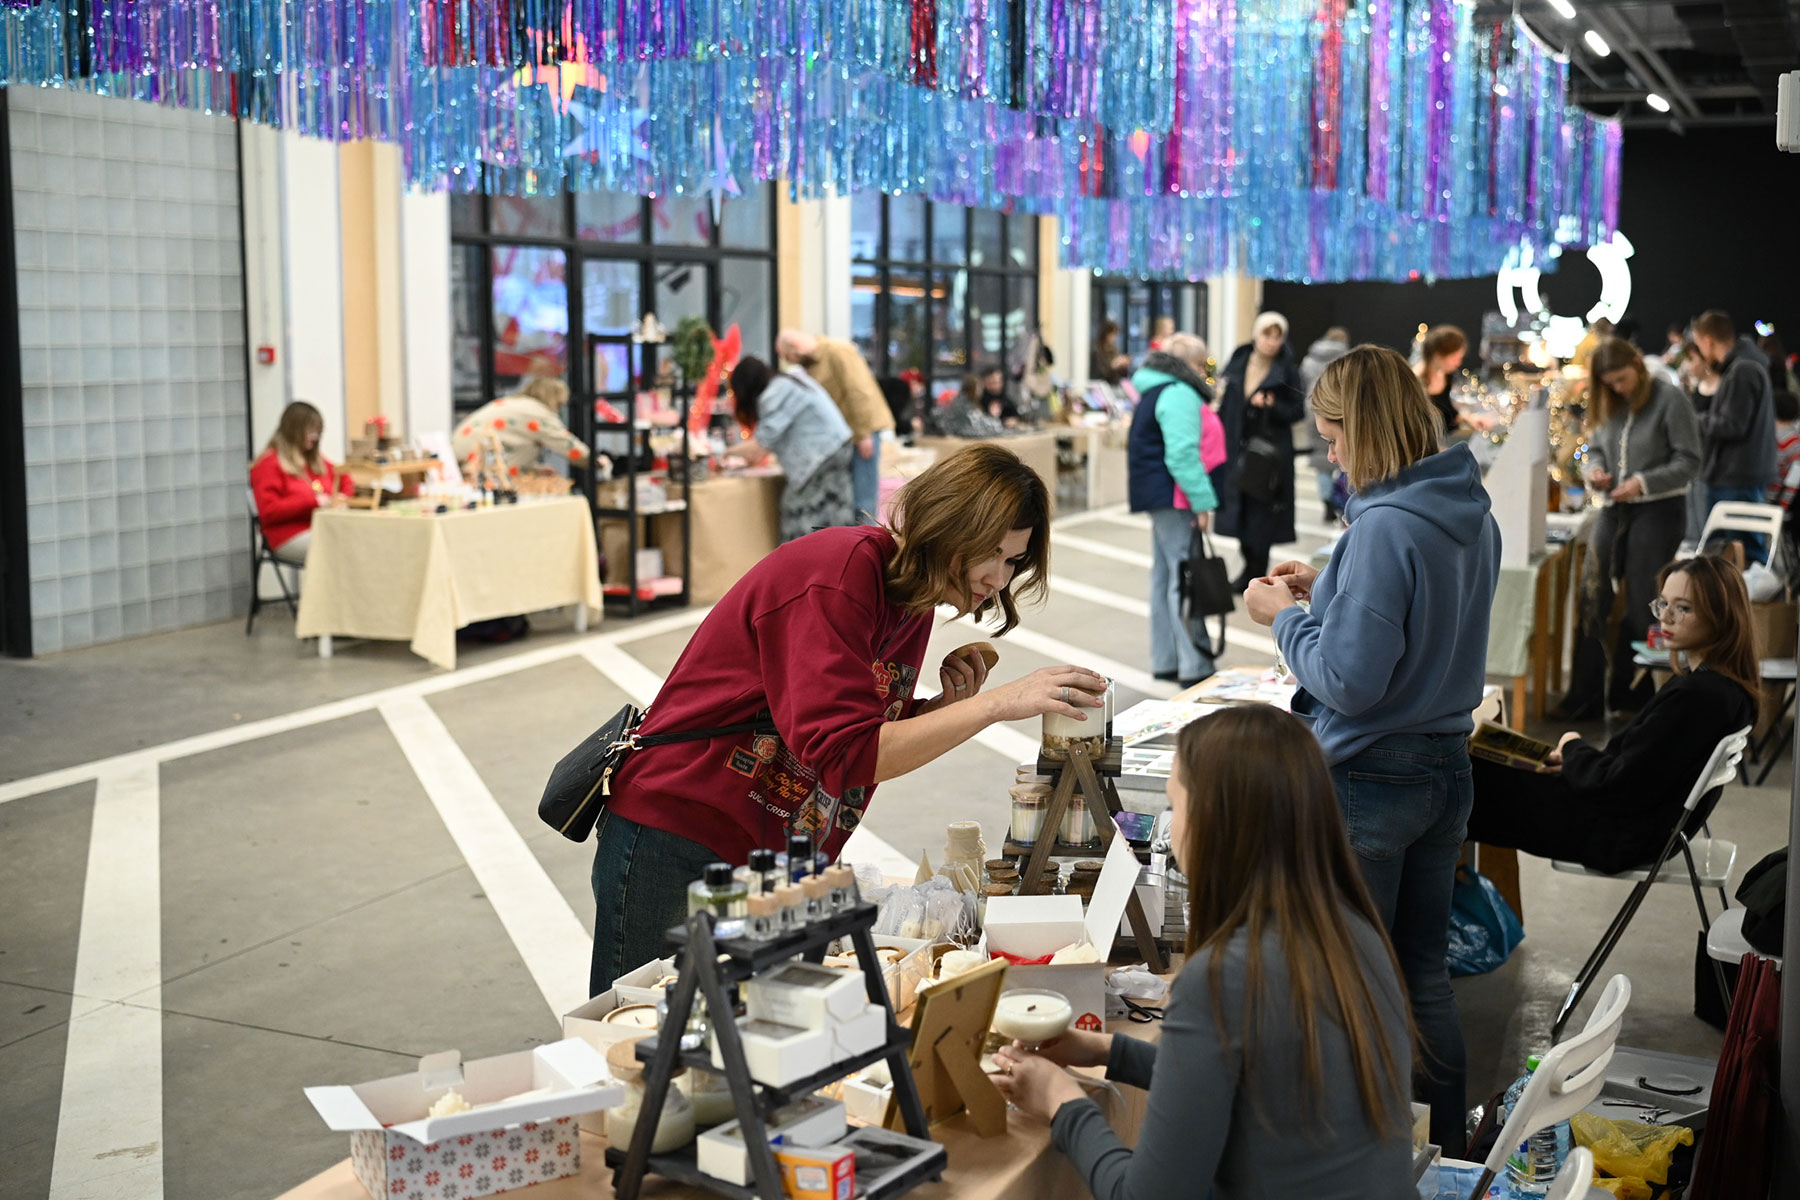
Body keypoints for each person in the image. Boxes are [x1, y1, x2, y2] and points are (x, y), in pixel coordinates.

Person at [588, 445, 1108, 992]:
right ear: (949, 524)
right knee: (638, 1028)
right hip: (680, 830)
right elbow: (845, 753)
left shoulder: (913, 598)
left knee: (734, 1037)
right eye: (992, 553)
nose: (997, 578)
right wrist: (996, 705)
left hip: (763, 846)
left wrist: (940, 711)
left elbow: (856, 726)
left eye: (1013, 561)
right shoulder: (841, 573)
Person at [993, 705, 1416, 1200]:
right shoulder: (1352, 930)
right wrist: (1109, 1051)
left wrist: (1061, 1101)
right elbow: (1253, 1089)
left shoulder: (1224, 978)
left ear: (1219, 821)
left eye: (1176, 805)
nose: (1170, 829)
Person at [1244, 344, 1500, 1153]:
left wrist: (1280, 617)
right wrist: (1328, 589)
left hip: (1371, 778)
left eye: (1332, 437)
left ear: (1365, 429)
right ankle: (1443, 1155)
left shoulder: (1385, 527)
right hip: (1445, 765)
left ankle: (1361, 1158)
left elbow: (1351, 682)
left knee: (1350, 982)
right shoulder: (1467, 511)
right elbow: (1422, 626)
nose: (1328, 454)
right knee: (1422, 972)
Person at [1471, 556, 1757, 874]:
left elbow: (1618, 787)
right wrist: (1575, 761)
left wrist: (1572, 746)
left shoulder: (1697, 697)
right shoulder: (1725, 688)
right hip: (1640, 824)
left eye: (1684, 608)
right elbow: (1637, 770)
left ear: (1721, 615)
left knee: (1465, 776)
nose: (1666, 617)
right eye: (1663, 603)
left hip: (1618, 834)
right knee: (1484, 767)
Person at [1554, 338, 1703, 718]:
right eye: (1610, 383)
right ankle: (1584, 699)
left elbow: (1689, 461)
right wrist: (1595, 471)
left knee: (1643, 602)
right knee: (1592, 596)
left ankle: (1635, 699)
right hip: (1614, 510)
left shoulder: (1671, 399)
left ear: (1637, 365)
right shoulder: (1608, 402)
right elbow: (1598, 448)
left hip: (1659, 511)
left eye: (1621, 379)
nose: (1618, 388)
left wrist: (1642, 482)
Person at [1128, 333, 1221, 687]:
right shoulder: (1179, 392)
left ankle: (1167, 659)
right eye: (1203, 364)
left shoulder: (1154, 389)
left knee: (1165, 577)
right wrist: (1203, 502)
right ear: (1192, 364)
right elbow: (1183, 455)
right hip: (1174, 497)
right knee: (1184, 578)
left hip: (1156, 495)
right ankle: (1194, 664)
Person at [1216, 312, 1304, 588]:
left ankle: (1256, 572)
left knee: (1262, 516)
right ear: (1256, 334)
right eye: (1267, 334)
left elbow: (1296, 410)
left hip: (1268, 455)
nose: (1272, 342)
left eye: (1278, 336)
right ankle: (1247, 568)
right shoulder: (1238, 361)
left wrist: (1271, 405)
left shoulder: (1287, 369)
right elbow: (1225, 406)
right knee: (1239, 511)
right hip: (1237, 449)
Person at [727, 357, 856, 542]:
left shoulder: (775, 394)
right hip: (835, 449)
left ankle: (800, 563)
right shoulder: (788, 382)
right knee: (834, 514)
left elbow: (758, 447)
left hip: (820, 456)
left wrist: (726, 453)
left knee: (796, 511)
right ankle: (837, 558)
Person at [776, 329, 895, 525]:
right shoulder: (811, 364)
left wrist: (863, 434)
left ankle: (870, 549)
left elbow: (858, 391)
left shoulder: (837, 351)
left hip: (861, 432)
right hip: (846, 436)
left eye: (787, 357)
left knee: (863, 501)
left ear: (794, 347)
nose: (790, 362)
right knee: (850, 501)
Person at [1692, 310, 1777, 561]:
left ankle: (1744, 601)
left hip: (1737, 476)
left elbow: (1732, 425)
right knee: (1731, 553)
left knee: (1742, 553)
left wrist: (1694, 421)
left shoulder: (1743, 369)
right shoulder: (1744, 366)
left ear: (1707, 341)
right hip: (1738, 474)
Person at [249, 401, 354, 564]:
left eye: (318, 432)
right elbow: (269, 512)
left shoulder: (312, 459)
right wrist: (312, 502)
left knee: (357, 542)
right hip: (287, 536)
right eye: (311, 431)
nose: (315, 438)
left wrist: (343, 496)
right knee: (342, 549)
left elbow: (343, 476)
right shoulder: (269, 463)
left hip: (319, 528)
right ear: (295, 431)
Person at [452, 377, 593, 478]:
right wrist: (596, 461)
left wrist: (532, 469)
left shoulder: (514, 402)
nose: (558, 410)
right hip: (476, 465)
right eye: (560, 404)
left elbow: (516, 447)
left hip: (456, 458)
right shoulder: (539, 412)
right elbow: (569, 446)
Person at [1300, 326, 1352, 522]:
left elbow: (1304, 384)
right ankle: (1341, 498)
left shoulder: (1309, 359)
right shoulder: (1348, 358)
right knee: (1343, 459)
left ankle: (1327, 501)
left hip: (1313, 410)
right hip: (1339, 412)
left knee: (1322, 460)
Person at [1414, 325, 1468, 438]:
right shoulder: (1416, 384)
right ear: (1438, 356)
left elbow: (1447, 415)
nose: (1458, 363)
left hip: (1446, 438)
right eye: (1455, 358)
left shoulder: (1446, 375)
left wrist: (1467, 418)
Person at [936, 374, 1008, 439]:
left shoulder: (968, 402)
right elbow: (975, 428)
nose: (981, 391)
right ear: (972, 389)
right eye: (979, 388)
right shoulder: (964, 405)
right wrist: (994, 417)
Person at [1766, 392, 1800, 509]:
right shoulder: (1795, 441)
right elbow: (1794, 480)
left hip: (1766, 497)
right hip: (1777, 499)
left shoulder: (1768, 439)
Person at [1090, 320, 1130, 386]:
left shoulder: (1114, 349)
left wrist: (1123, 366)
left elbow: (1121, 375)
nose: (1115, 338)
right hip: (1102, 385)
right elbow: (1100, 372)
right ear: (1106, 334)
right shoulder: (1097, 350)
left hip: (1115, 383)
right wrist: (1114, 365)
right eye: (1113, 334)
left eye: (1116, 334)